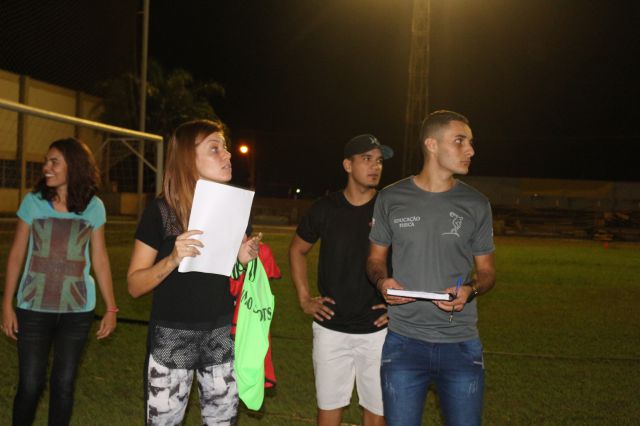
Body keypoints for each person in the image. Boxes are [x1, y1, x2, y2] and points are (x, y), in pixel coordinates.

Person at [127, 118, 261, 425]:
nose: (227, 155)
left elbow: (226, 275)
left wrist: (242, 260)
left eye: (225, 147)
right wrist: (172, 258)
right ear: (189, 158)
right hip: (172, 338)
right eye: (215, 148)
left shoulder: (235, 208)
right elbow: (134, 285)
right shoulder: (161, 212)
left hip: (221, 334)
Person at [367, 110, 496, 426]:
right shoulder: (391, 197)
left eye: (470, 142)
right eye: (460, 141)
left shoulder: (477, 204)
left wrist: (470, 289)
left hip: (461, 344)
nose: (470, 150)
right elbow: (374, 260)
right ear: (432, 145)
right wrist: (383, 283)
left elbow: (487, 272)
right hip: (403, 344)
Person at [1, 137, 117, 426]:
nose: (46, 167)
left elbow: (100, 259)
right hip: (33, 308)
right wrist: (6, 305)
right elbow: (16, 255)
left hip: (77, 311)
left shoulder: (94, 207)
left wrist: (111, 308)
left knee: (63, 384)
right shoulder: (33, 202)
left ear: (73, 166)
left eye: (54, 162)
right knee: (30, 385)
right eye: (46, 161)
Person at [289, 134, 393, 426]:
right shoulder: (326, 208)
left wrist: (399, 307)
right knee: (329, 409)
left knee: (377, 411)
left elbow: (413, 258)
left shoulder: (389, 208)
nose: (375, 166)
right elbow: (297, 250)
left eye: (379, 161)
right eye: (367, 159)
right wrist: (304, 299)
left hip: (377, 331)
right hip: (331, 329)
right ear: (348, 165)